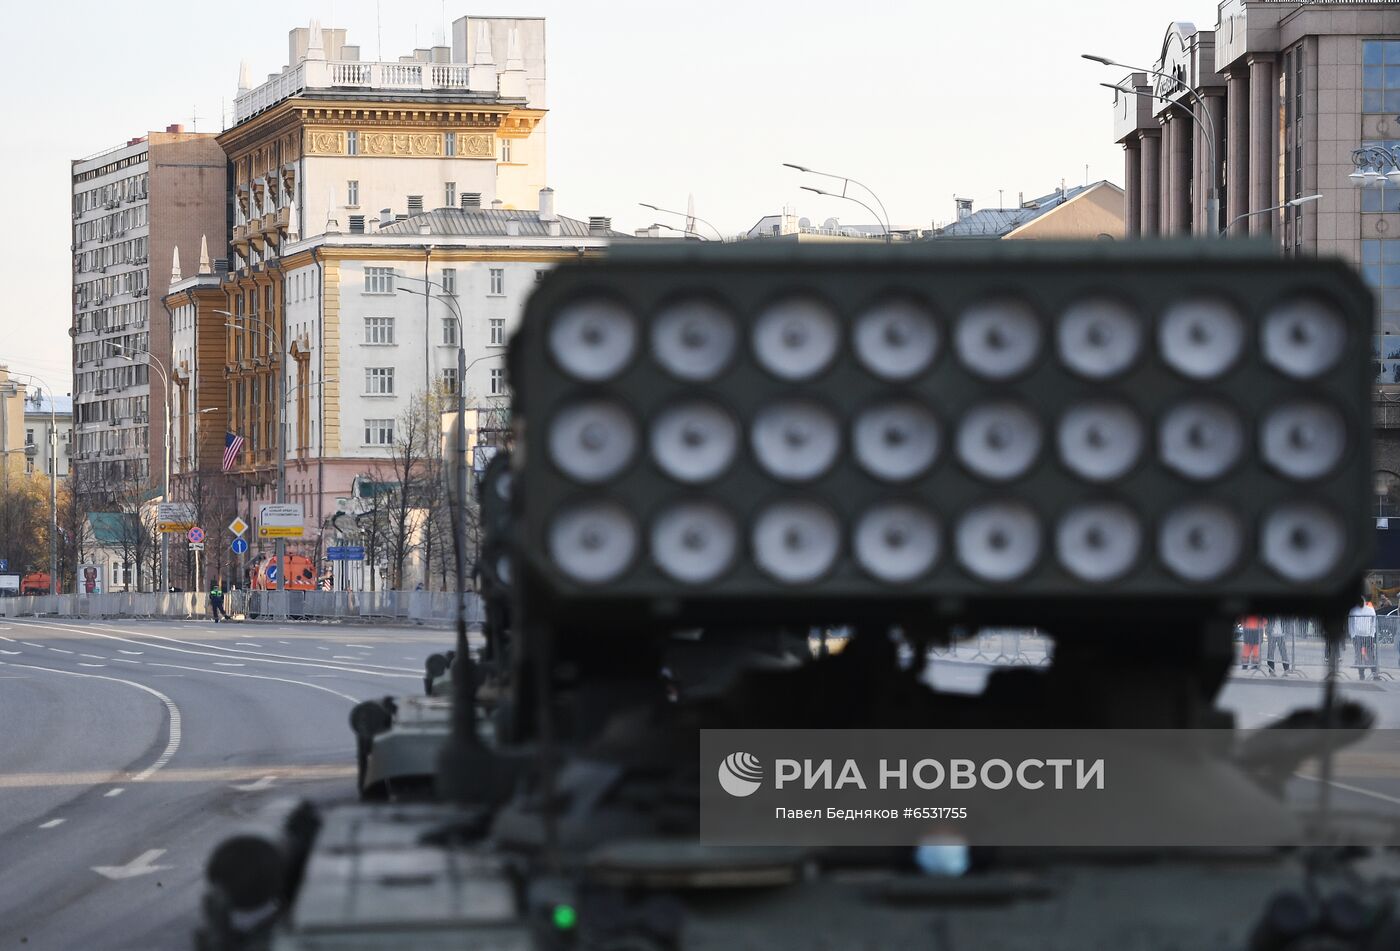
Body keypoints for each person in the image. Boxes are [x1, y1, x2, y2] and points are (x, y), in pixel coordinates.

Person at [1348, 598, 1378, 680]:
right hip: (1358, 635)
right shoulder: (1353, 610)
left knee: (1371, 655)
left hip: (1368, 636)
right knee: (1359, 656)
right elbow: (1350, 623)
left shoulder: (1370, 610)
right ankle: (1362, 675)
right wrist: (1352, 634)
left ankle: (1374, 673)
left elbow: (1374, 622)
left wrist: (1372, 633)